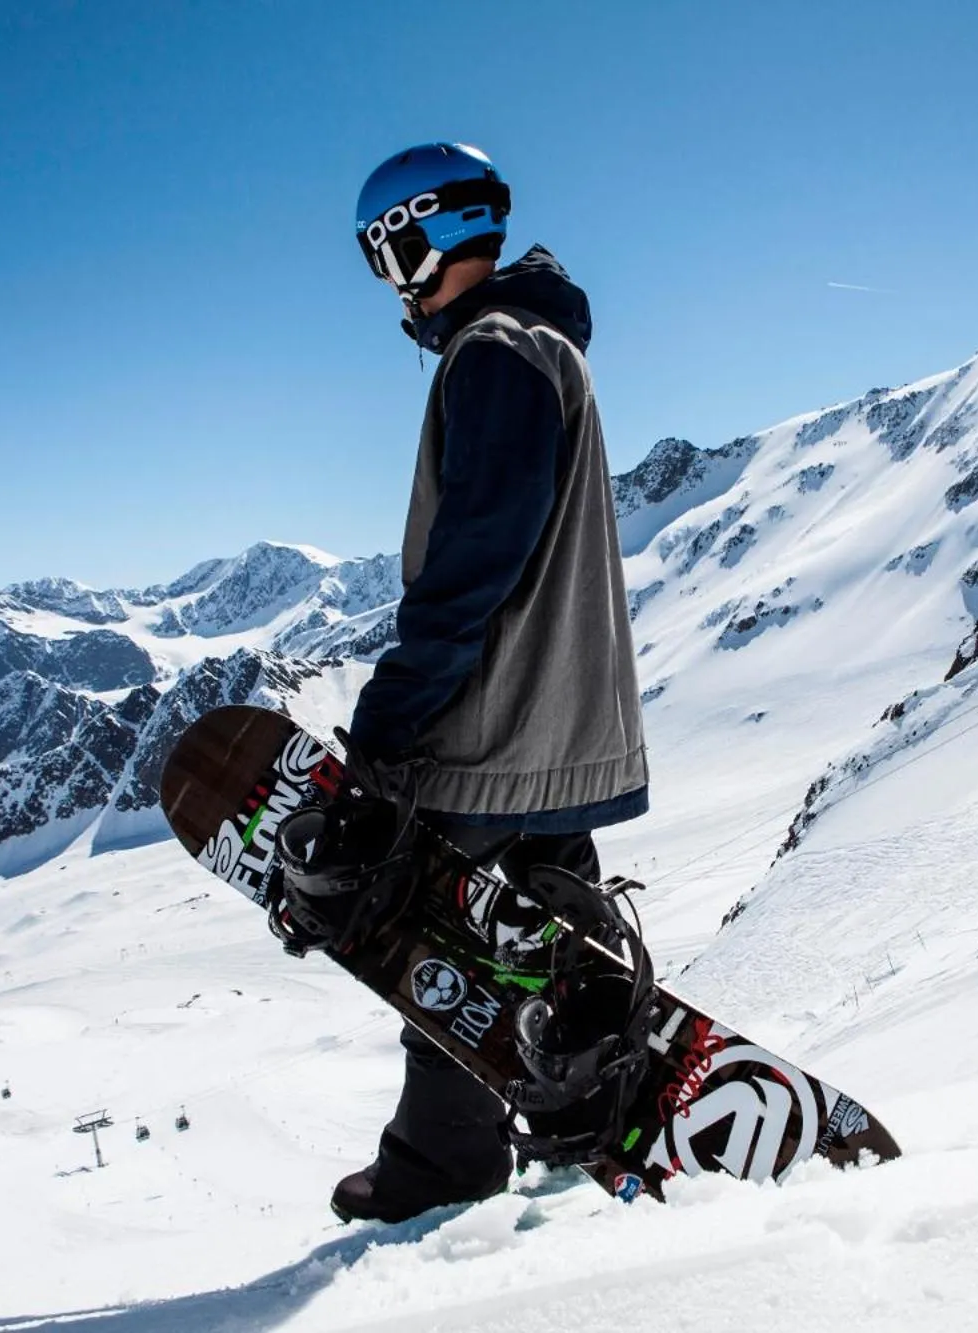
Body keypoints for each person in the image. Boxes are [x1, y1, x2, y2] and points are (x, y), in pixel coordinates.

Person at [308, 142, 649, 1225]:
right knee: (558, 935)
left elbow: (474, 559)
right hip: (564, 721)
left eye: (386, 257)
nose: (389, 285)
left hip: (493, 725)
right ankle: (587, 1104)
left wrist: (393, 715)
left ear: (422, 235)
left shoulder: (493, 352)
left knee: (435, 941)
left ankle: (444, 1162)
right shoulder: (544, 343)